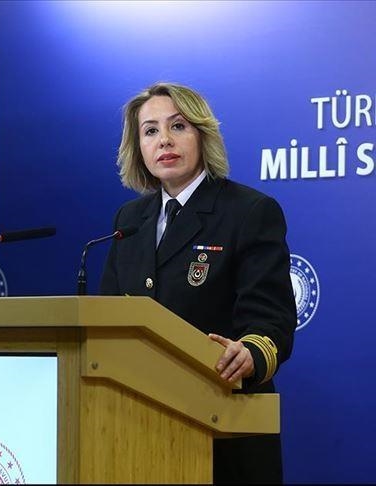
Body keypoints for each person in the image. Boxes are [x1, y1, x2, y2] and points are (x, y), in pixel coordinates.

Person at [99, 82, 296, 484]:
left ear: (203, 135)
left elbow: (271, 319)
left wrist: (250, 353)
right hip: (138, 423)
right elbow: (108, 318)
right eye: (150, 131)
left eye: (178, 126)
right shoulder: (129, 220)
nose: (164, 140)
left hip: (223, 424)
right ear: (138, 147)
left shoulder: (249, 211)